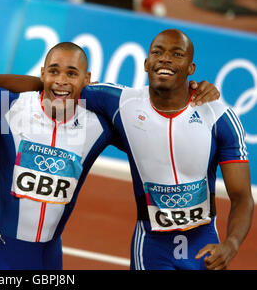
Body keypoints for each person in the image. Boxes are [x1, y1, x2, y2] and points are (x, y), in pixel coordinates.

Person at [0, 40, 221, 270]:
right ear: (43, 74)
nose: (61, 81)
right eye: (54, 72)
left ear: (86, 81)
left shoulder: (99, 125)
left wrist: (189, 90)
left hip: (50, 257)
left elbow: (157, 125)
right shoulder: (7, 106)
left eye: (71, 74)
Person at [80, 29, 254, 270]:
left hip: (203, 246)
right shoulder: (121, 102)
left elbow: (242, 197)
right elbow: (60, 88)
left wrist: (231, 244)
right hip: (151, 246)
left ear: (191, 68)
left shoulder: (219, 117)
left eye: (177, 54)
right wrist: (9, 92)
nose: (165, 58)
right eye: (157, 52)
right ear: (146, 63)